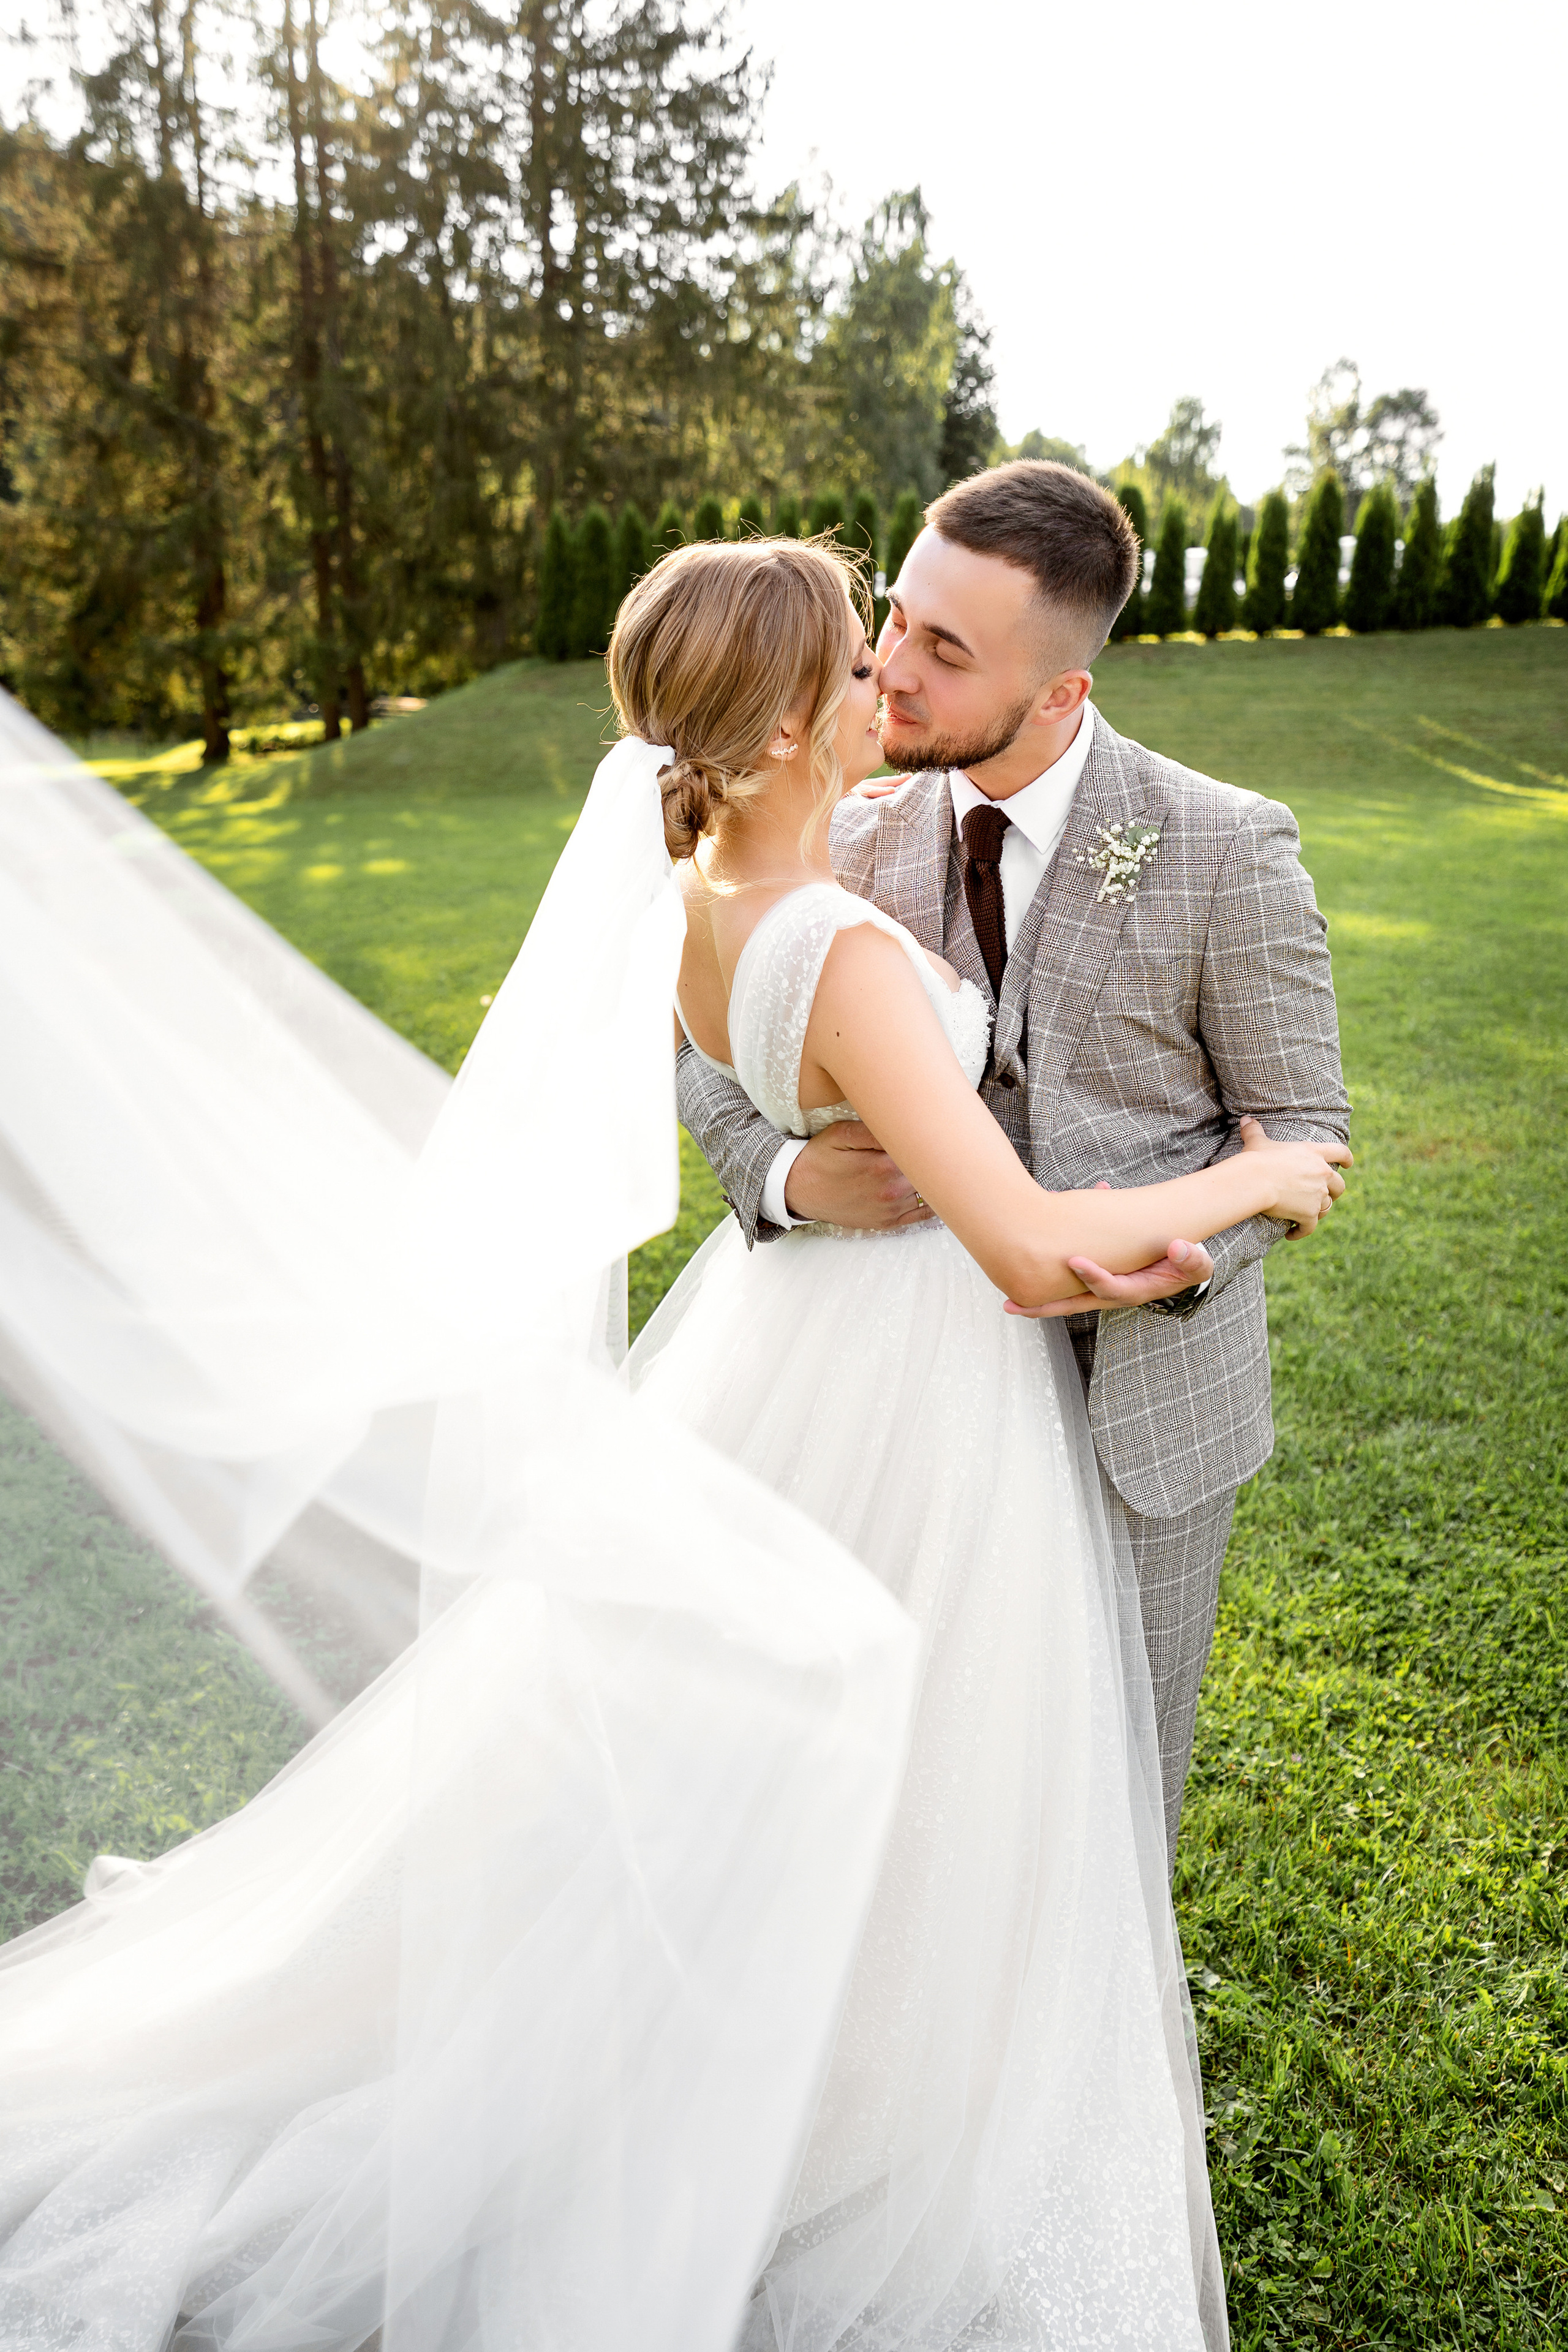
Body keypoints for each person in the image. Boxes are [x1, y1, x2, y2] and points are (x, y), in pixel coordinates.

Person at [0, 535, 1345, 2352]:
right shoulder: (844, 932)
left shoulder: (707, 885)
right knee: (906, 1732)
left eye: (921, 648)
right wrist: (1265, 1171)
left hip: (814, 1362)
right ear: (796, 719)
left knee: (843, 1753)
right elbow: (1026, 1244)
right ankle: (866, 2103)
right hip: (910, 1372)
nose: (890, 673)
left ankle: (839, 2042)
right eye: (866, 656)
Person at [676, 462, 1352, 1863]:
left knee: (1107, 1791)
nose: (888, 669)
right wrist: (789, 1179)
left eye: (944, 649)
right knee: (883, 1771)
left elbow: (1301, 1128)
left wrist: (1170, 1256)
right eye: (894, 622)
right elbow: (702, 1043)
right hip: (888, 1403)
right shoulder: (836, 821)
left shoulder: (1226, 849)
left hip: (1141, 1409)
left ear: (1060, 692)